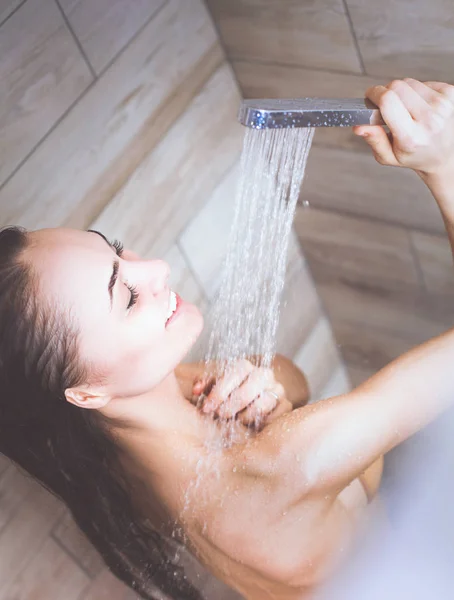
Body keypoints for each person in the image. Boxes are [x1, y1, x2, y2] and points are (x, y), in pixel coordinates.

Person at [0, 77, 452, 600]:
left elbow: (292, 380)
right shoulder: (280, 467)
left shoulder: (111, 431)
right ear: (85, 392)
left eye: (119, 252)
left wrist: (269, 386)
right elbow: (291, 454)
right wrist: (445, 167)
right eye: (125, 297)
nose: (157, 270)